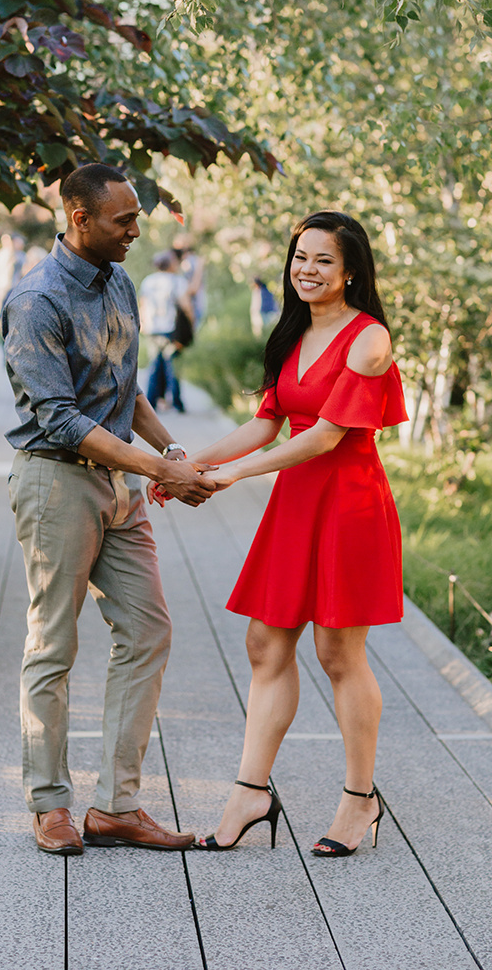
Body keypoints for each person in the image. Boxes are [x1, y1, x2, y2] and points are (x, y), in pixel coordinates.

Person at [173, 210, 407, 858]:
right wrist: (191, 465)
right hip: (297, 503)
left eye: (322, 260)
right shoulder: (293, 330)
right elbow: (265, 424)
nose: (306, 269)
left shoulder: (369, 339)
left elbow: (327, 435)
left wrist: (230, 478)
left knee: (339, 653)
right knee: (265, 643)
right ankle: (251, 792)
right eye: (300, 257)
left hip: (350, 505)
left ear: (351, 270)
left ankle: (361, 800)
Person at [2, 162, 215, 857]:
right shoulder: (35, 300)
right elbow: (60, 418)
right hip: (57, 482)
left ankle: (118, 805)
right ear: (78, 218)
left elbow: (126, 389)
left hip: (121, 486)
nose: (136, 229)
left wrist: (172, 450)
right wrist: (160, 470)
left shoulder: (118, 280)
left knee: (148, 631)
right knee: (53, 646)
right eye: (123, 219)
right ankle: (50, 804)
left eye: (136, 216)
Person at [138, 250, 192, 413]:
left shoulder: (148, 281)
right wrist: (191, 324)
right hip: (171, 330)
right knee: (172, 366)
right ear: (170, 265)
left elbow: (143, 304)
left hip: (153, 329)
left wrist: (143, 324)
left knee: (154, 365)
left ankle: (151, 402)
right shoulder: (177, 281)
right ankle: (177, 402)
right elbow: (186, 306)